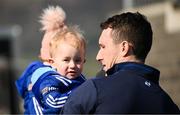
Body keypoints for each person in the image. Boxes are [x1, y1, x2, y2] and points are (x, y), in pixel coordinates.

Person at [61, 12, 180, 114]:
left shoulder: (95, 90)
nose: (98, 56)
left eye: (103, 47)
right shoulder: (168, 105)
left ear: (124, 48)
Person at [15, 5, 86, 114]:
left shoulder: (75, 77)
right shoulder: (48, 79)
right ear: (52, 62)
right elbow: (53, 102)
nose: (72, 65)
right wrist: (82, 93)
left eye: (77, 60)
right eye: (66, 60)